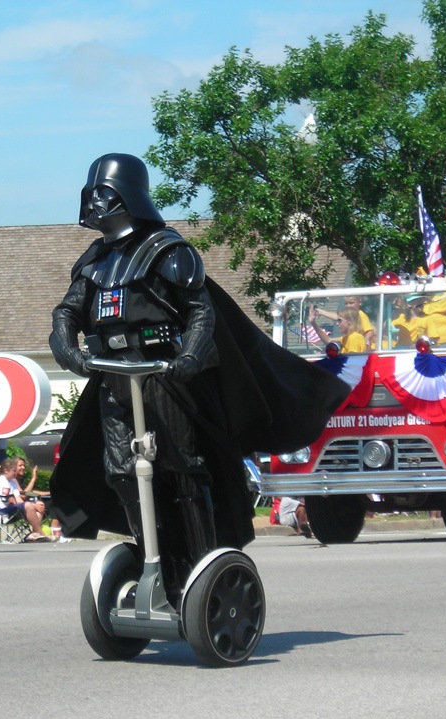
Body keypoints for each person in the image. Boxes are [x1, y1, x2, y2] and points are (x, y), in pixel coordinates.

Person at [49, 152, 349, 602]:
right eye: (90, 194)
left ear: (126, 195)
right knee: (120, 471)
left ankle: (200, 560)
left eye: (103, 193)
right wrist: (67, 346)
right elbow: (67, 312)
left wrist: (189, 356)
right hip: (112, 374)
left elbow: (201, 313)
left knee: (180, 466)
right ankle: (156, 557)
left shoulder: (168, 251)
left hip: (164, 374)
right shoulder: (96, 259)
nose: (94, 203)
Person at [0, 457, 49, 542]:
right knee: (28, 505)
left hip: (11, 510)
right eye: (13, 471)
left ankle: (34, 535)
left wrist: (35, 505)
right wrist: (31, 505)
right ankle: (41, 534)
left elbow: (19, 500)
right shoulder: (2, 482)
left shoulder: (12, 482)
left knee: (39, 505)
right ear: (6, 471)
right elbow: (11, 501)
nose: (15, 473)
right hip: (1, 511)